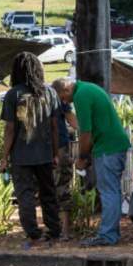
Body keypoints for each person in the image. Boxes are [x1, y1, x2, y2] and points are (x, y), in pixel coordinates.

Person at [53, 78, 131, 247]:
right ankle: (111, 233)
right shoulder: (88, 88)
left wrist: (82, 157)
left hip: (108, 147)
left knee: (108, 192)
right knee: (112, 191)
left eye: (63, 98)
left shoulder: (81, 95)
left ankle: (107, 235)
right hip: (112, 145)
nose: (65, 102)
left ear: (66, 90)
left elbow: (85, 132)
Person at [0, 53, 62, 247]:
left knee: (25, 195)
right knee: (48, 193)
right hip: (44, 153)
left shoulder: (14, 95)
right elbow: (54, 127)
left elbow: (10, 129)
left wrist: (4, 157)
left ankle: (34, 234)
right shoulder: (50, 93)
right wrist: (55, 153)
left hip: (21, 156)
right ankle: (54, 232)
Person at [54, 99, 79, 240]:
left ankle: (52, 229)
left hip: (40, 150)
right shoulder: (59, 99)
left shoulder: (33, 98)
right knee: (63, 189)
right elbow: (75, 123)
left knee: (47, 190)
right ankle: (65, 231)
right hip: (60, 148)